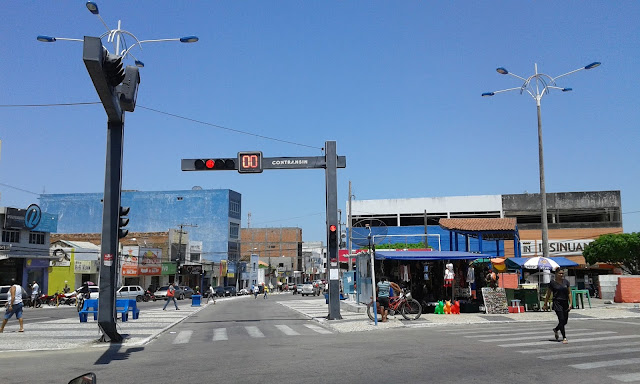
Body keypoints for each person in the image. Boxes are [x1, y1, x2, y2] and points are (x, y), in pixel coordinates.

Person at [543, 269, 572, 344]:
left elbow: (569, 293)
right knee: (561, 319)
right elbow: (548, 294)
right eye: (560, 273)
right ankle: (564, 337)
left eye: (562, 273)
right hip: (557, 302)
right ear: (556, 274)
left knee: (565, 321)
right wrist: (545, 304)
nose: (561, 275)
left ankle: (556, 329)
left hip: (565, 302)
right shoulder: (552, 283)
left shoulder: (566, 282)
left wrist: (571, 303)